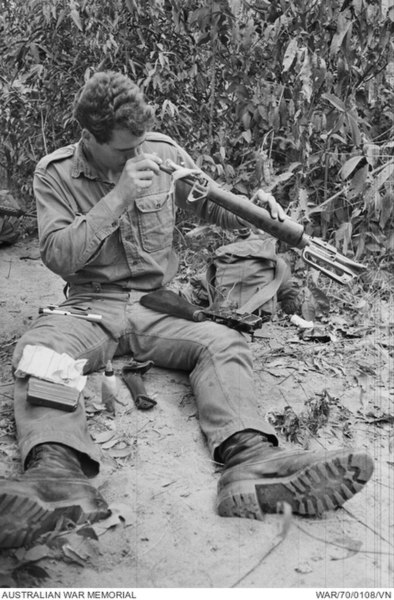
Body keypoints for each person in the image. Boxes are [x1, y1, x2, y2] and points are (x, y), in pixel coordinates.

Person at [0, 72, 373, 549]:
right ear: (90, 138)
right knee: (41, 349)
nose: (138, 157)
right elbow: (57, 255)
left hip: (159, 305)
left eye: (140, 144)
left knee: (223, 342)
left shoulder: (161, 150)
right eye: (123, 150)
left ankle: (251, 460)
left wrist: (257, 209)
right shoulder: (54, 174)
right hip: (90, 306)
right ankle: (57, 477)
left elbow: (211, 204)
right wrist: (118, 198)